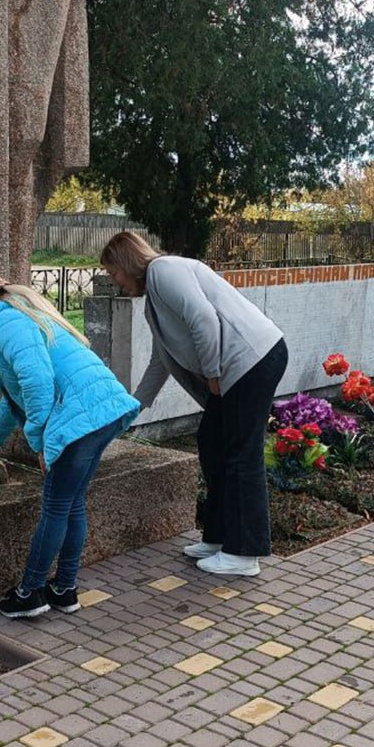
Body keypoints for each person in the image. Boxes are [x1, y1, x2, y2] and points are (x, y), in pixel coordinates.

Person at [100, 232, 287, 578]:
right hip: (238, 368)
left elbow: (204, 319)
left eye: (113, 273)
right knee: (212, 447)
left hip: (252, 360)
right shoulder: (155, 295)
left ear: (126, 262)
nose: (116, 282)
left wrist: (213, 372)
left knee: (241, 455)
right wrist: (136, 405)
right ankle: (217, 538)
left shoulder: (164, 271)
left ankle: (245, 554)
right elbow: (162, 357)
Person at [0, 271, 142, 619]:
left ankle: (30, 593)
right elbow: (13, 397)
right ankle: (63, 589)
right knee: (71, 503)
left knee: (56, 506)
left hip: (79, 418)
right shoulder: (24, 312)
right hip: (101, 410)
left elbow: (38, 382)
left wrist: (45, 442)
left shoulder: (3, 321)